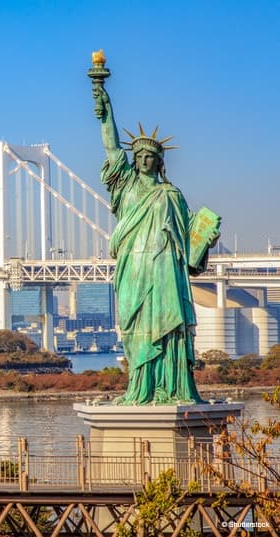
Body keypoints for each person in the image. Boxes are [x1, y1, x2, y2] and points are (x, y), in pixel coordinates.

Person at [92, 82, 218, 405]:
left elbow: (190, 239)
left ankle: (172, 387)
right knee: (135, 328)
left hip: (164, 269)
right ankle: (140, 387)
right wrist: (106, 109)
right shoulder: (126, 186)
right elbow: (110, 148)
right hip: (134, 267)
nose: (145, 159)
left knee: (168, 327)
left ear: (160, 162)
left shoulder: (172, 195)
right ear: (133, 159)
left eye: (151, 156)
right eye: (140, 155)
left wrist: (207, 238)